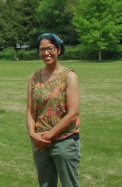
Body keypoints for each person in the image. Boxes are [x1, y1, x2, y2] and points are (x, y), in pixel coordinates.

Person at [26, 33, 80, 187]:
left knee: (69, 184)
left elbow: (72, 113)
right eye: (42, 49)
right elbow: (30, 111)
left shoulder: (69, 76)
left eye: (50, 48)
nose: (46, 52)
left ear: (58, 50)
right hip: (40, 143)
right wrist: (33, 135)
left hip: (64, 141)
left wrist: (49, 135)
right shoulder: (34, 77)